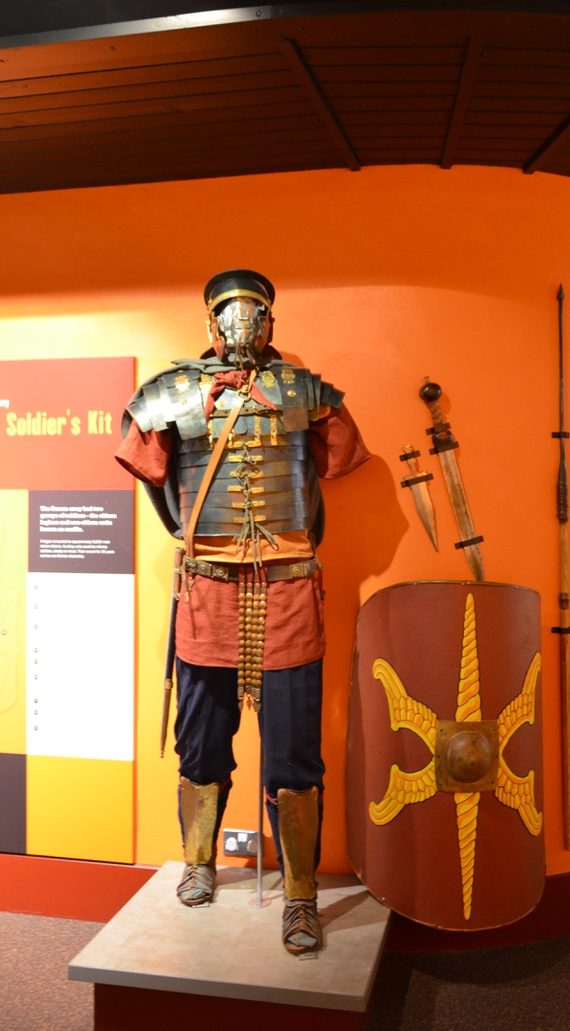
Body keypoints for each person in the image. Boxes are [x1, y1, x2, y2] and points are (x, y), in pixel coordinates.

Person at [115, 269, 370, 955]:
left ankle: (299, 893)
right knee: (201, 739)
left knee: (293, 751)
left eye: (253, 309)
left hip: (288, 588)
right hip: (207, 589)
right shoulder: (172, 393)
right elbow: (155, 481)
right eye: (231, 310)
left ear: (269, 319)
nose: (241, 322)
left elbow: (335, 464)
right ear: (210, 320)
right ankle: (199, 860)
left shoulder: (305, 392)